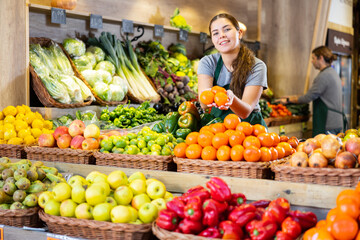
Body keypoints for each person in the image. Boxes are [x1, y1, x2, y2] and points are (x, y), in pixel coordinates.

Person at [197, 13, 268, 127]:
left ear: (239, 33)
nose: (222, 35)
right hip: (218, 129)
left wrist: (231, 100)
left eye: (227, 29)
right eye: (216, 33)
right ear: (213, 40)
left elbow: (245, 112)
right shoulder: (208, 62)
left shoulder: (257, 66)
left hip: (249, 129)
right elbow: (204, 104)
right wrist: (212, 99)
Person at [284, 46, 345, 136]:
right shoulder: (333, 72)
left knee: (322, 149)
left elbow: (308, 97)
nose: (312, 61)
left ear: (320, 57)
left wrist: (288, 100)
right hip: (337, 122)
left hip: (327, 123)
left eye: (313, 58)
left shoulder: (324, 76)